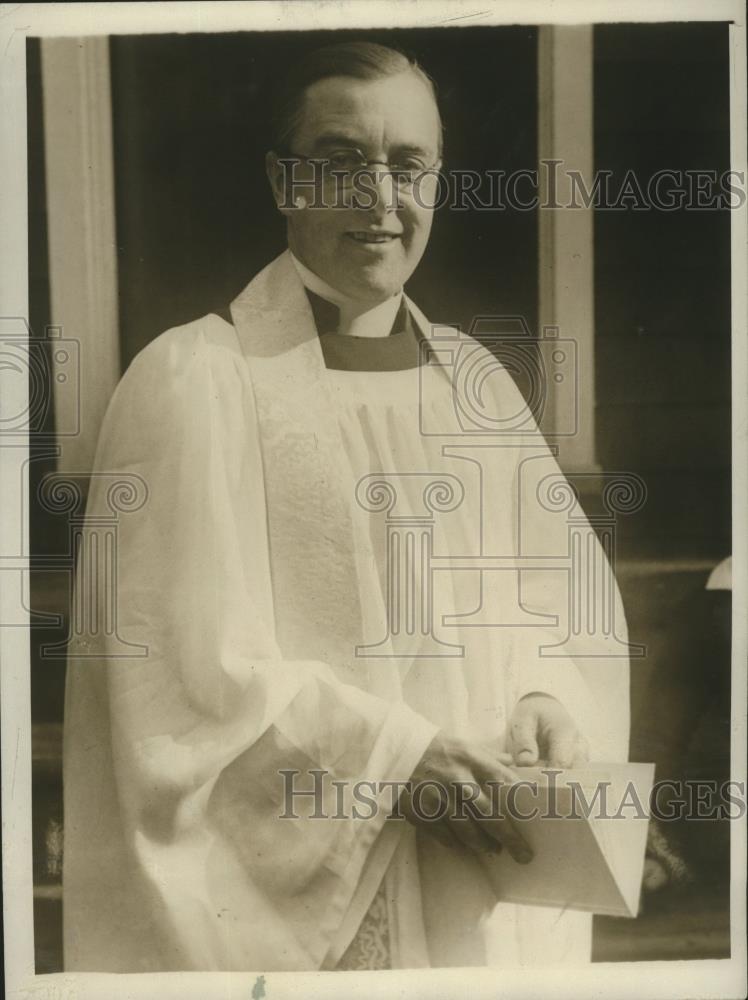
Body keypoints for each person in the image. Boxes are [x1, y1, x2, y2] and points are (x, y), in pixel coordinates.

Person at [63, 40, 630, 972]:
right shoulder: (195, 382)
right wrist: (395, 761)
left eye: (408, 165)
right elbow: (180, 681)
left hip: (485, 882)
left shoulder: (478, 388)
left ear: (438, 184)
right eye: (339, 163)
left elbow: (554, 609)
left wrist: (544, 695)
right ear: (285, 184)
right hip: (327, 903)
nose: (378, 198)